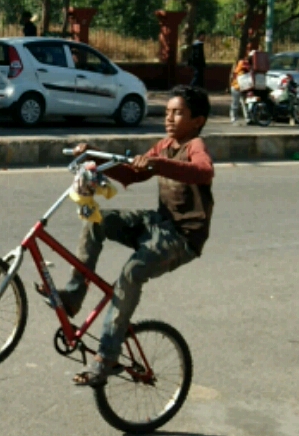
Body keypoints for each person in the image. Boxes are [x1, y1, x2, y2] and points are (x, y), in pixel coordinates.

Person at [41, 85, 214, 387]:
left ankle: (106, 356)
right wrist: (91, 156)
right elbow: (132, 175)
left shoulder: (195, 145)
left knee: (130, 274)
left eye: (178, 113)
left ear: (197, 120)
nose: (169, 118)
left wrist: (158, 164)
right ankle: (72, 296)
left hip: (182, 238)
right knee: (98, 221)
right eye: (168, 112)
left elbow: (204, 172)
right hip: (158, 223)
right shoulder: (164, 144)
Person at [229, 56, 252, 123]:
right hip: (236, 87)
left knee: (244, 103)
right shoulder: (242, 65)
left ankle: (247, 118)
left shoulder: (241, 68)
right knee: (236, 103)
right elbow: (244, 67)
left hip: (241, 88)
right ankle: (234, 118)